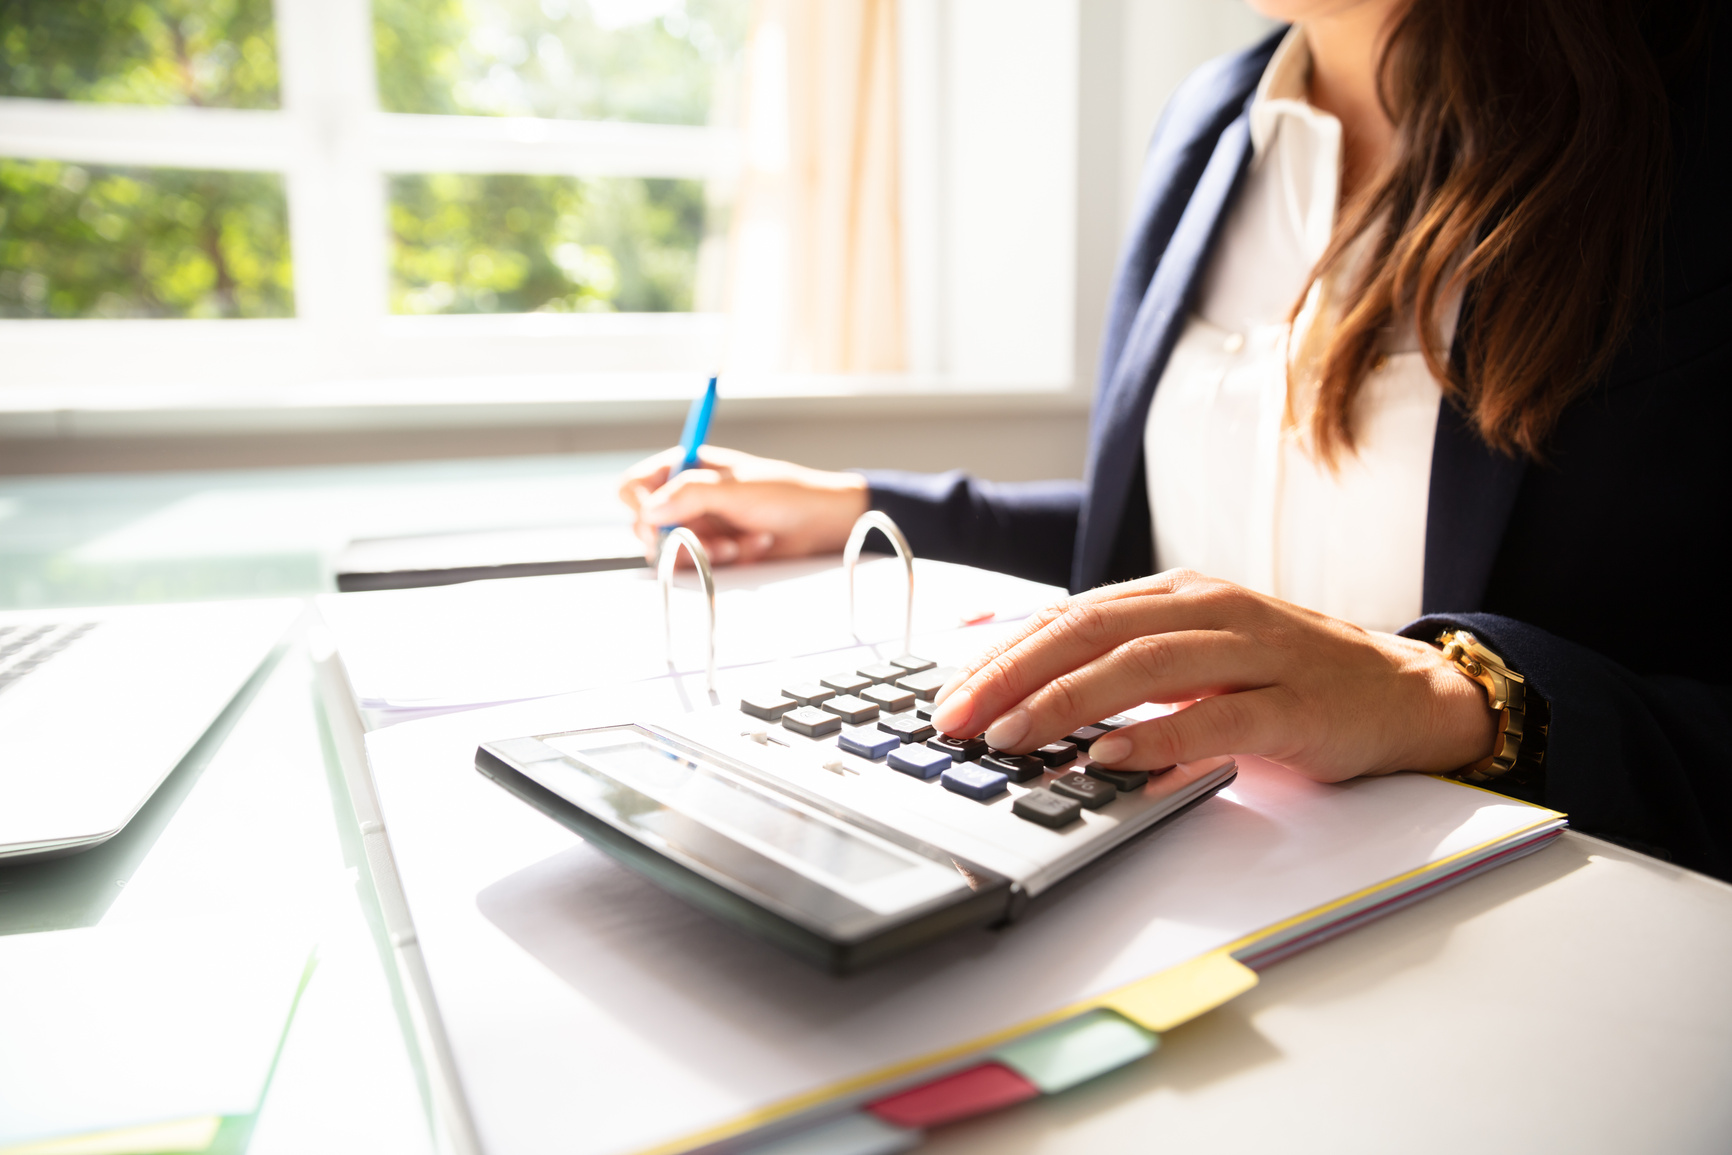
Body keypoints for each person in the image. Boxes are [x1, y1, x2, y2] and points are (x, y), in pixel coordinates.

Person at [621, 0, 1731, 878]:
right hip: (1204, 871)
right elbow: (1171, 563)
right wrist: (859, 501)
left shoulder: (1689, 116)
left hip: (1544, 916)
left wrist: (1459, 698)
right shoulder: (1208, 124)